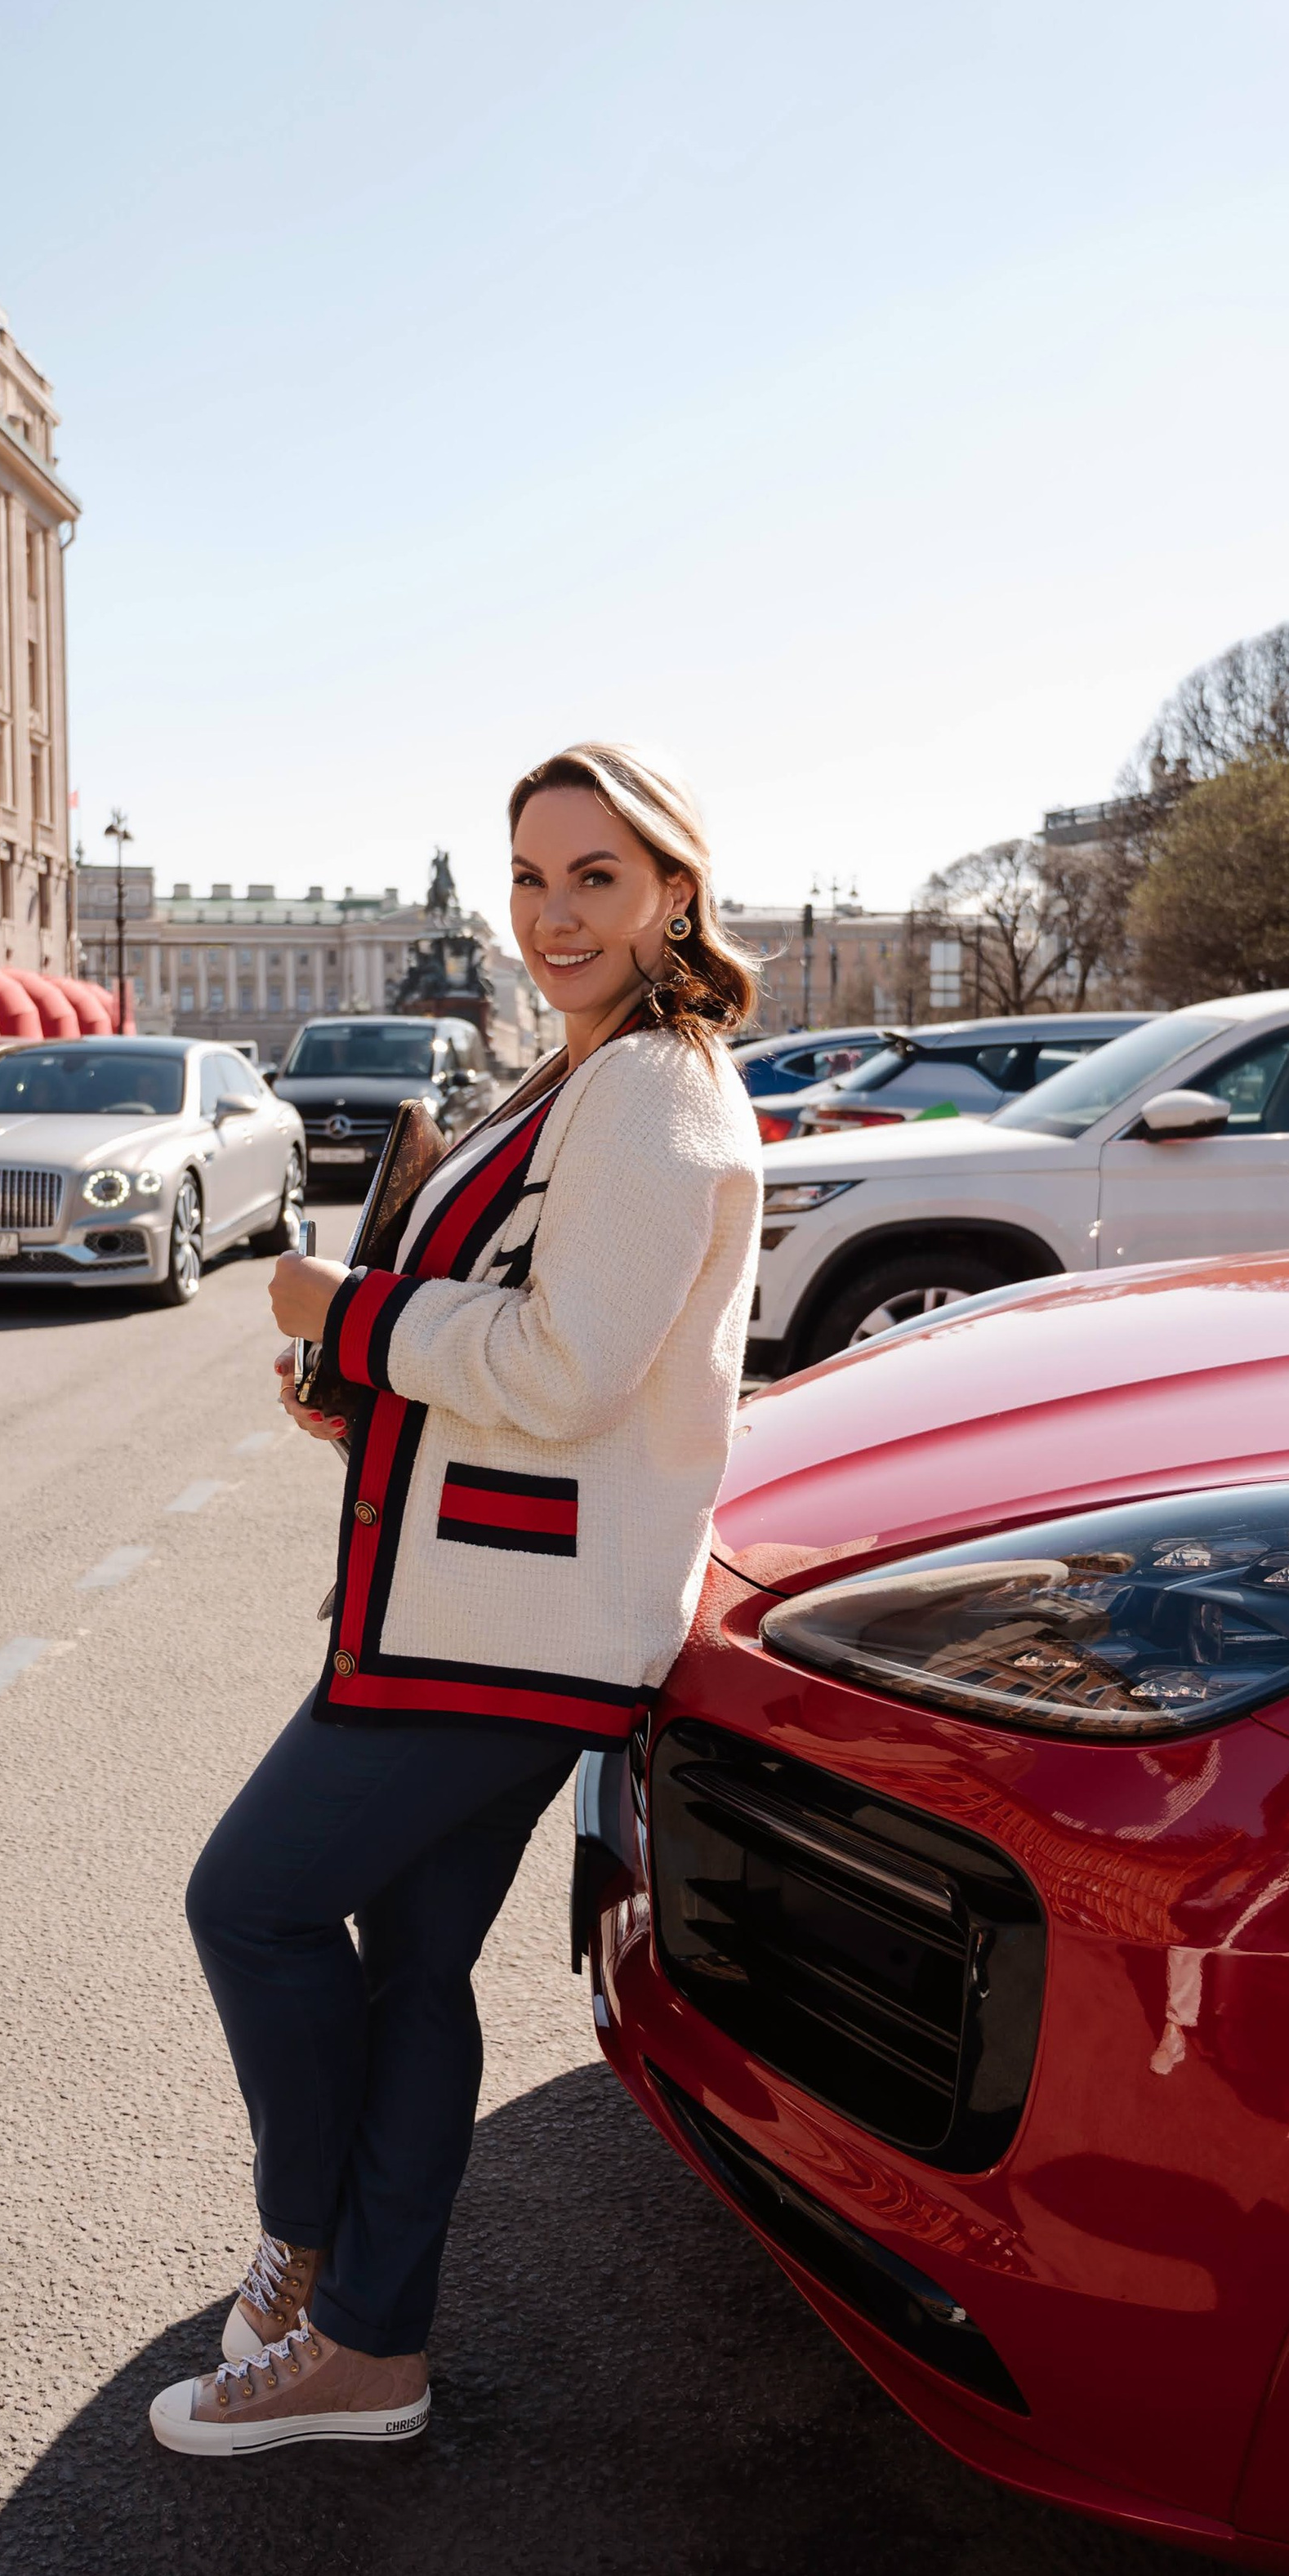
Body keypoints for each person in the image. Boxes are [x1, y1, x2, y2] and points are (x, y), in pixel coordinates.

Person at [149, 742, 764, 2455]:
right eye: (529, 875)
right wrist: (371, 1393)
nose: (551, 912)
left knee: (251, 1903)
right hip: (490, 1601)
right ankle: (368, 2347)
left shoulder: (648, 1089)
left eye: (594, 877)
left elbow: (567, 1371)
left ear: (671, 894)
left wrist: (341, 1315)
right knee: (412, 1969)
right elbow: (539, 1355)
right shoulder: (589, 1076)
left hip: (504, 1634)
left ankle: (310, 2249)